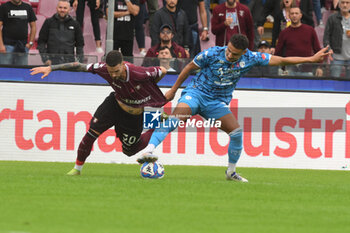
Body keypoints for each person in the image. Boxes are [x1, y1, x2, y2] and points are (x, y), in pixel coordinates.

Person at [137, 34, 331, 182]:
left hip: (217, 102)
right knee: (176, 119)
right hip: (196, 93)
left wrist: (310, 59)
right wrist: (172, 91)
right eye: (229, 50)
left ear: (243, 53)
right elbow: (189, 67)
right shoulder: (212, 53)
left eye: (234, 54)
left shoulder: (251, 57)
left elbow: (280, 60)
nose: (229, 54)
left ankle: (231, 172)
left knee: (237, 133)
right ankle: (150, 151)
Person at [30, 50, 168, 175]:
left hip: (133, 115)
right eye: (110, 71)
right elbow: (79, 66)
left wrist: (146, 88)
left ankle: (156, 126)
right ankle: (77, 169)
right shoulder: (103, 68)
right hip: (114, 104)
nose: (113, 75)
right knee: (91, 133)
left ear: (122, 64)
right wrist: (51, 68)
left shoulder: (138, 73)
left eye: (116, 71)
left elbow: (162, 70)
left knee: (129, 151)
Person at [275, 7, 323, 76]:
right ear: (289, 16)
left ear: (301, 15)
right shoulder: (284, 33)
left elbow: (317, 50)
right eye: (292, 13)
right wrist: (282, 68)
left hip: (306, 70)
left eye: (296, 13)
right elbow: (278, 53)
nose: (294, 15)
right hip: (289, 71)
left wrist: (320, 67)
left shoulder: (310, 30)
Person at [38, 0, 84, 65]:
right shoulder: (48, 22)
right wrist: (45, 59)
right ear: (56, 8)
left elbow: (80, 45)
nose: (62, 10)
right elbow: (41, 42)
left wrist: (79, 61)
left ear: (69, 9)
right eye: (60, 7)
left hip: (69, 63)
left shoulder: (75, 24)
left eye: (65, 8)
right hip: (51, 62)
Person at [0, 0, 36, 65]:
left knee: (22, 72)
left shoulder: (28, 7)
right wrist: (1, 45)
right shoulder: (3, 7)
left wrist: (30, 43)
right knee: (5, 71)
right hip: (7, 47)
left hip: (23, 46)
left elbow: (33, 26)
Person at [323, 0, 350, 79]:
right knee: (334, 83)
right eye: (343, 2)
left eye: (347, 3)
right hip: (336, 57)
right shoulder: (332, 18)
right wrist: (329, 50)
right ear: (339, 4)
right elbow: (326, 37)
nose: (345, 5)